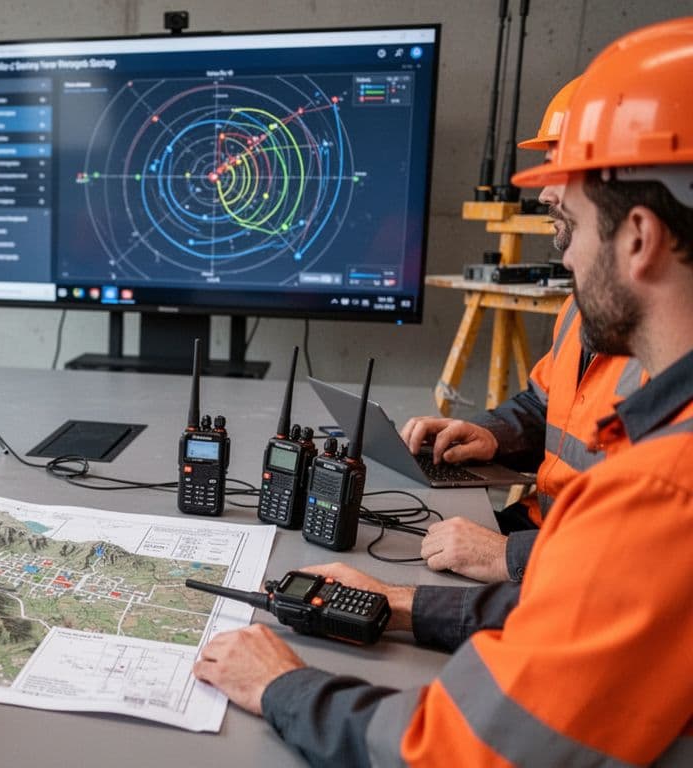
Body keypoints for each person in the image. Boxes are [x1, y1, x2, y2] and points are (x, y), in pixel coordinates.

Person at [194, 17, 693, 766]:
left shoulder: (663, 491)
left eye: (569, 221)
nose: (560, 251)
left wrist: (282, 686)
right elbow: (591, 607)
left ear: (640, 238)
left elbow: (463, 752)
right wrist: (400, 604)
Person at [398, 76, 644, 583]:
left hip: (571, 570)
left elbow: (640, 561)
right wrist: (490, 434)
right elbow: (544, 403)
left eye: (565, 166)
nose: (546, 189)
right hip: (542, 531)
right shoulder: (585, 304)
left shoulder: (666, 347)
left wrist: (504, 557)